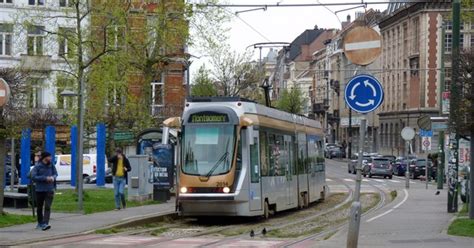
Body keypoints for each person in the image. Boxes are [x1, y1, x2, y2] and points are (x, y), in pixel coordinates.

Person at [31, 151, 57, 231]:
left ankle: (45, 223)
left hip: (50, 189)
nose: (51, 158)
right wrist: (45, 178)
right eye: (49, 157)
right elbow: (33, 176)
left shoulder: (51, 165)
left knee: (48, 206)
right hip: (40, 189)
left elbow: (55, 173)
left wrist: (53, 177)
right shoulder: (37, 167)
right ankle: (40, 222)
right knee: (39, 207)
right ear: (44, 157)